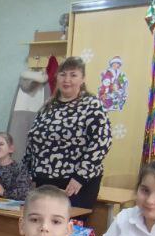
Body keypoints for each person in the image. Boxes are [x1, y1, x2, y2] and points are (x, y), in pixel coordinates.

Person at [23, 57, 112, 209]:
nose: (67, 80)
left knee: (68, 224)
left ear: (83, 79)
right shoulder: (47, 106)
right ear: (56, 77)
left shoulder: (92, 105)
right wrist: (25, 174)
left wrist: (80, 177)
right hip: (43, 183)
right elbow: (33, 142)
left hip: (75, 185)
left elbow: (101, 143)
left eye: (73, 75)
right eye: (63, 74)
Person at [0, 131, 34, 201]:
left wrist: (3, 192)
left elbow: (24, 194)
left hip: (14, 207)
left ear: (11, 149)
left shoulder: (20, 168)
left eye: (1, 144)